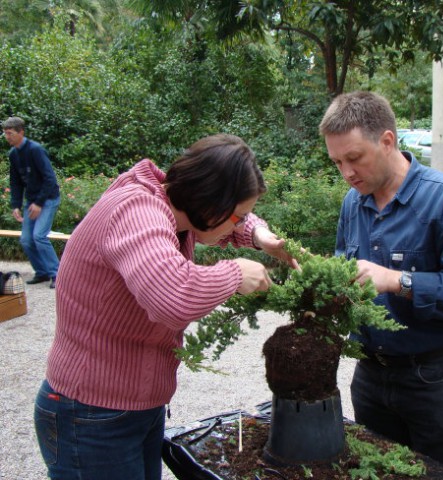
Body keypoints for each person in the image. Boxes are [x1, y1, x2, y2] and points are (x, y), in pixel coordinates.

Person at [33, 134, 298, 480]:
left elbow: (233, 223)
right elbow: (172, 297)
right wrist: (235, 273)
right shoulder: (136, 210)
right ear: (211, 204)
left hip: (136, 408)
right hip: (90, 414)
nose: (241, 222)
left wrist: (260, 237)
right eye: (238, 215)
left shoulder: (176, 209)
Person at [319, 91, 443, 474]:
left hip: (434, 377)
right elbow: (342, 263)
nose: (347, 172)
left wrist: (397, 281)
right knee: (376, 468)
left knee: (438, 473)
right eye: (337, 162)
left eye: (354, 158)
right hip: (370, 372)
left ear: (387, 141)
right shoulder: (354, 202)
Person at [3, 116, 60, 289]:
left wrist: (39, 203)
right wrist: (15, 205)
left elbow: (50, 179)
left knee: (39, 236)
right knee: (26, 239)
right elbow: (15, 182)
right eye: (5, 133)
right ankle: (42, 272)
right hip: (32, 200)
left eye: (10, 133)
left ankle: (57, 274)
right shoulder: (13, 154)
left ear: (21, 132)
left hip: (48, 198)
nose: (7, 137)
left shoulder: (35, 150)